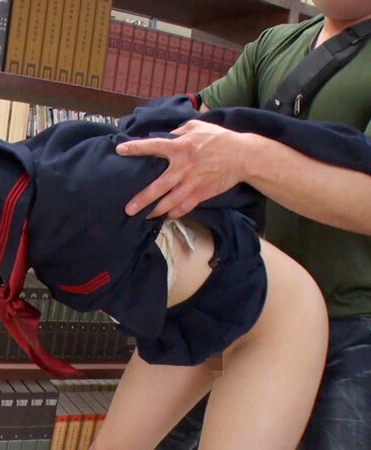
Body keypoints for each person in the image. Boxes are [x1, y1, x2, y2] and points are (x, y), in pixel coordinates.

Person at [0, 100, 371, 448]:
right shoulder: (5, 212)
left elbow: (214, 134)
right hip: (183, 332)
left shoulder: (79, 191)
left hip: (269, 321)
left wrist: (347, 161)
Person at [111, 4, 370, 449]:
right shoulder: (274, 45)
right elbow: (194, 130)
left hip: (352, 327)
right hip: (240, 306)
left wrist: (246, 158)